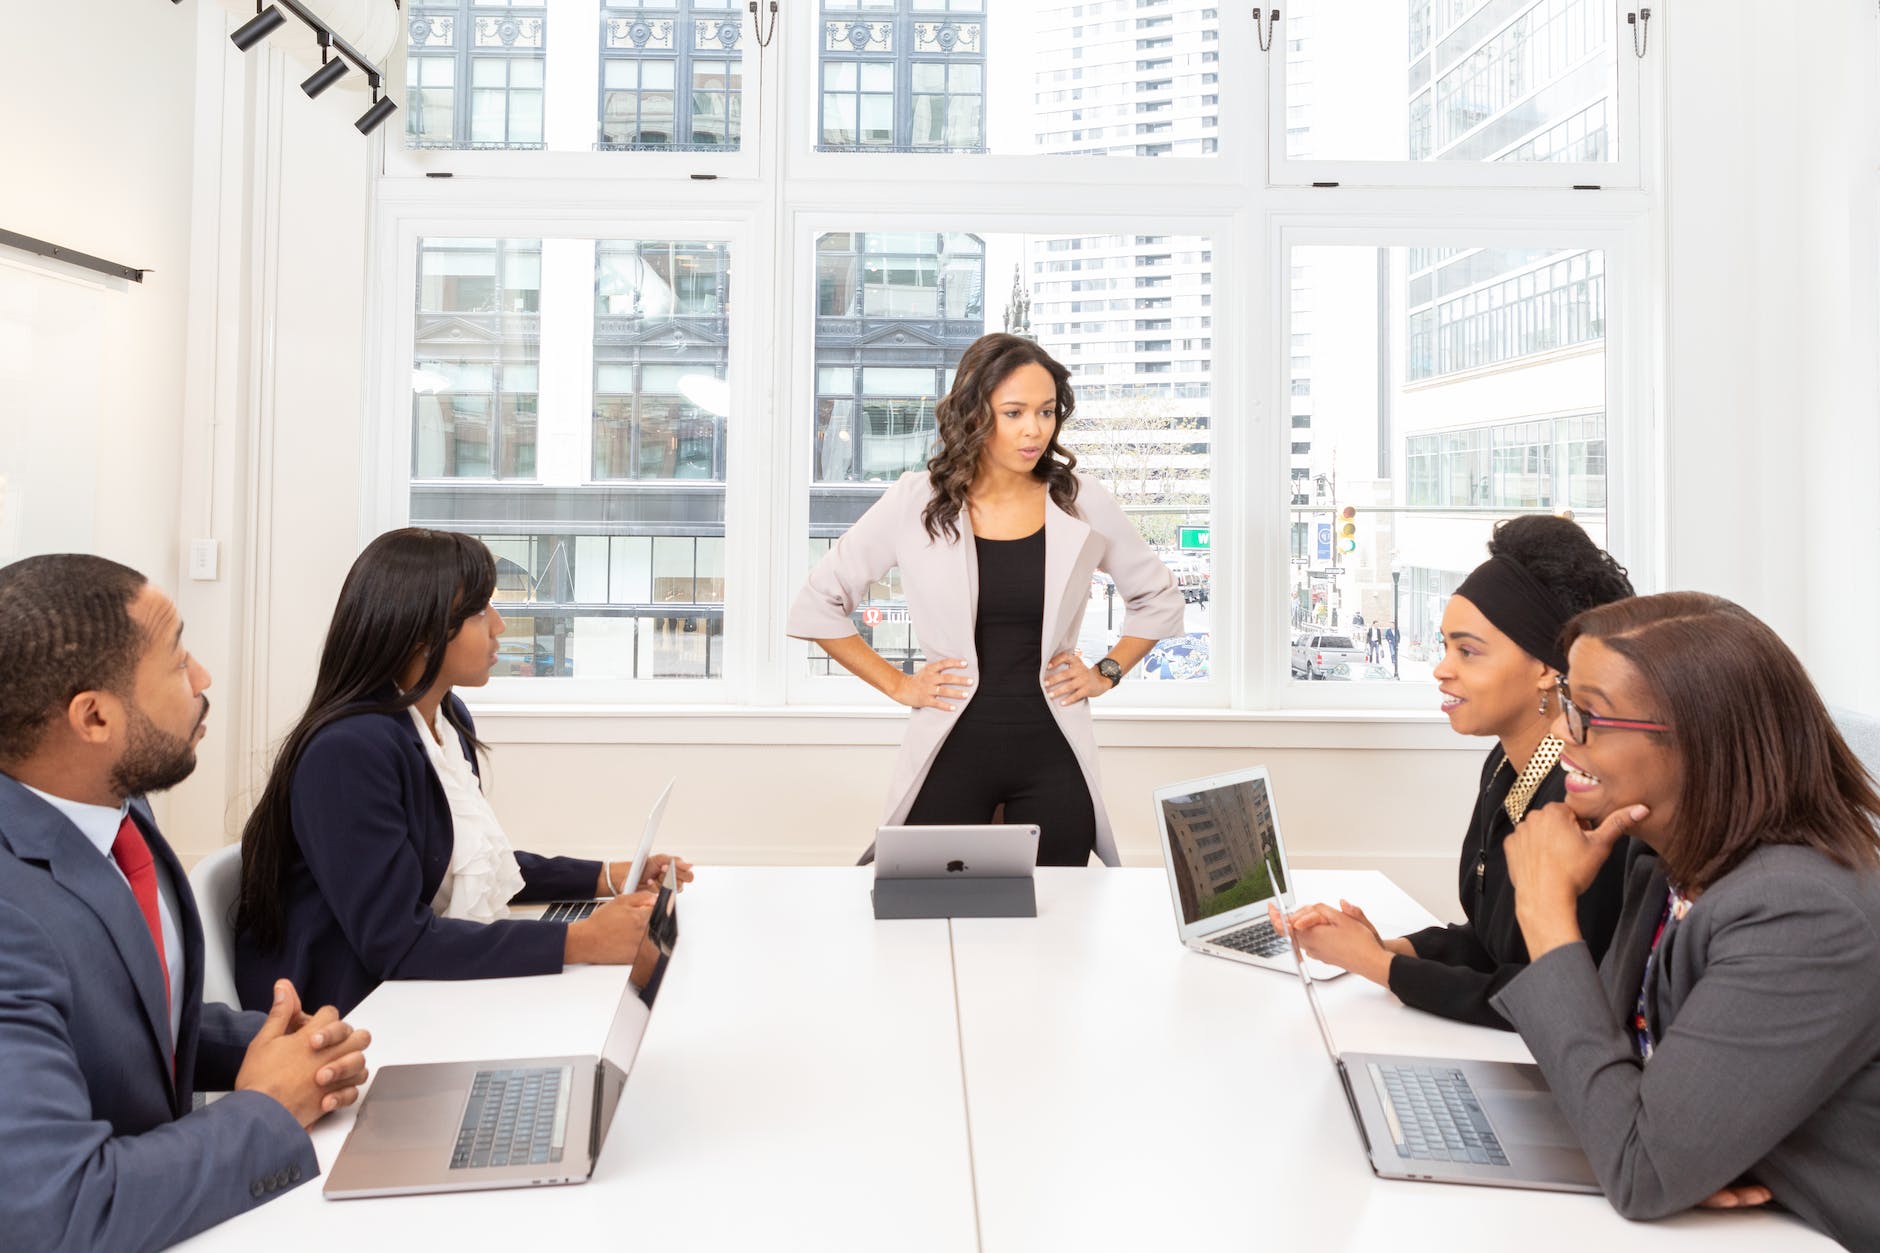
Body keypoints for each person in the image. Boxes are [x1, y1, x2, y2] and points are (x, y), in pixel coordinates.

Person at [0, 555, 372, 1250]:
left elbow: (123, 1008)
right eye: (177, 662)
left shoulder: (114, 803)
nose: (202, 678)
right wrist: (267, 1107)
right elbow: (58, 1213)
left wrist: (289, 1048)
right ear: (94, 716)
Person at [1496, 593, 1880, 1244]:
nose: (1561, 733)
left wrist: (1546, 913)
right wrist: (1675, 1147)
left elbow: (1641, 1168)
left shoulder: (1805, 912)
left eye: (1588, 714)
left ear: (1701, 742)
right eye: (1566, 703)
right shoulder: (1663, 868)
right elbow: (1620, 1086)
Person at [234, 529, 692, 1017]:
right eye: (479, 612)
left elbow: (463, 861)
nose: (498, 626)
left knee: (633, 975)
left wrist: (607, 876)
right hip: (350, 1009)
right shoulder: (348, 752)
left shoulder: (445, 718)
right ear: (420, 633)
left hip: (413, 981)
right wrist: (577, 940)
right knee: (616, 985)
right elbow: (394, 942)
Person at [788, 333, 1186, 866]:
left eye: (1046, 411)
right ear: (975, 414)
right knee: (925, 916)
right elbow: (819, 603)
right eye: (1014, 411)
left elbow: (1158, 599)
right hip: (952, 748)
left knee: (1055, 923)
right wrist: (900, 685)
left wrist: (1106, 671)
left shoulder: (1080, 500)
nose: (1034, 429)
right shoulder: (916, 500)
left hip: (1054, 753)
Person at [1276, 516, 1634, 1028]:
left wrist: (1380, 967)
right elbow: (1489, 944)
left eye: (1467, 651)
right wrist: (1378, 947)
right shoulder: (1504, 769)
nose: (1442, 669)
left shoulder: (1586, 795)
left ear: (1546, 668)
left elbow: (1544, 991)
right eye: (1445, 647)